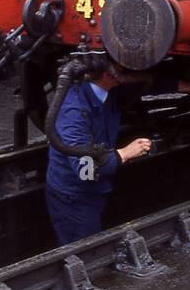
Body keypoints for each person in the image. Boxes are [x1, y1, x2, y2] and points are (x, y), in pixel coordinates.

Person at [44, 63, 152, 245]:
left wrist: (185, 86)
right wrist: (124, 153)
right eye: (121, 67)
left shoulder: (105, 91)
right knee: (83, 251)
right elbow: (86, 171)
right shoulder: (74, 113)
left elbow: (146, 83)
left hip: (97, 189)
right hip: (75, 196)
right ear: (107, 75)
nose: (126, 68)